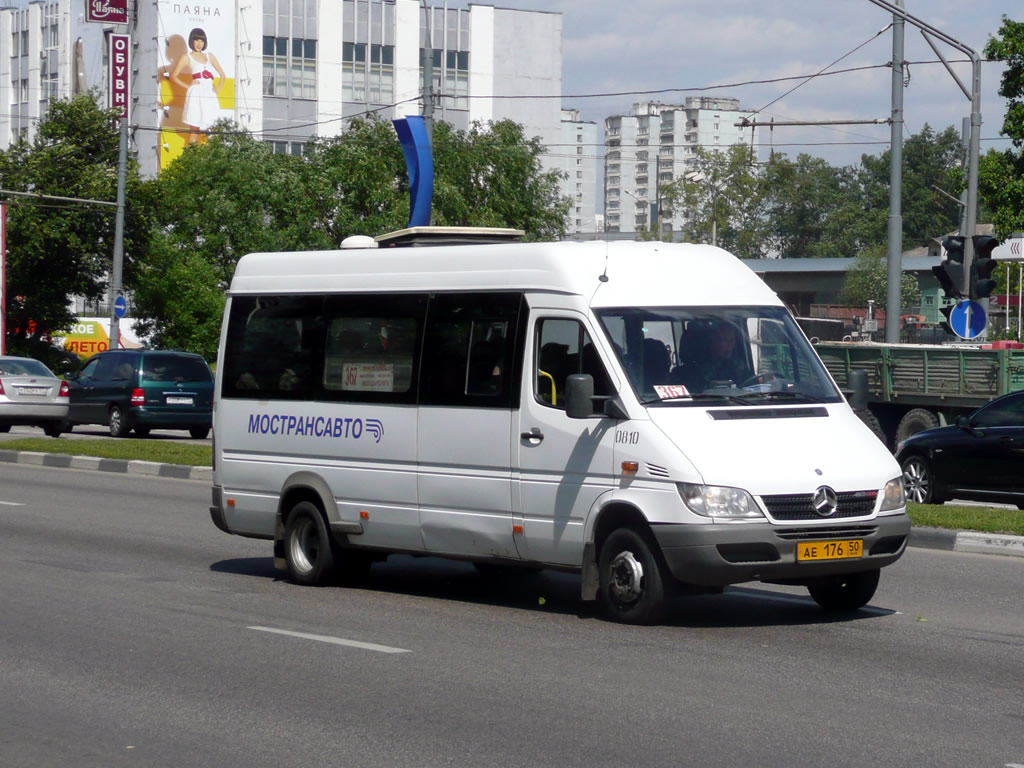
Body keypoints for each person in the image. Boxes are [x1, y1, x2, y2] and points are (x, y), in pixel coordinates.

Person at [169, 28, 226, 145]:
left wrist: (217, 90)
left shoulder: (210, 56)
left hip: (209, 94)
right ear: (192, 41)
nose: (199, 44)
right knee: (194, 128)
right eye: (196, 40)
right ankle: (192, 156)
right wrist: (188, 86)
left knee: (213, 126)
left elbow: (222, 75)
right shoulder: (187, 57)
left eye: (202, 41)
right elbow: (173, 76)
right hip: (195, 93)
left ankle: (213, 155)